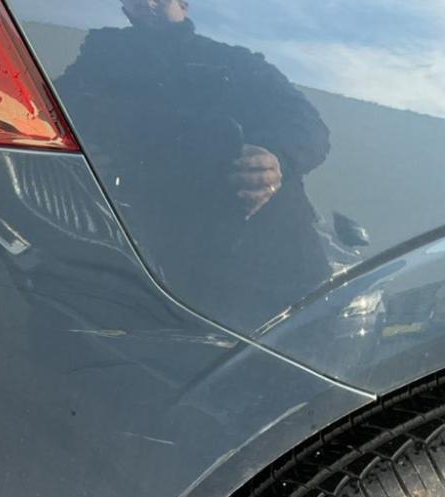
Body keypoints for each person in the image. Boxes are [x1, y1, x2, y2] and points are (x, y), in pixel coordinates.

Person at [59, 0, 333, 328]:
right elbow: (42, 117)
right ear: (124, 7)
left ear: (184, 3)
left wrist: (277, 159)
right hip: (137, 274)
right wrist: (77, 158)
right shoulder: (97, 63)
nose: (148, 2)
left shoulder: (237, 62)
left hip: (268, 275)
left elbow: (310, 127)